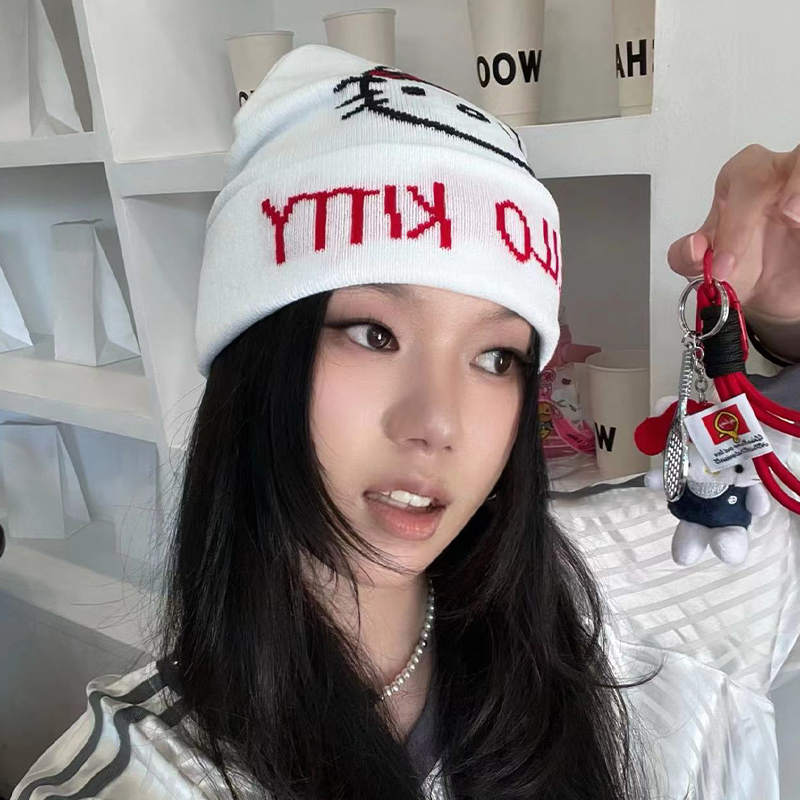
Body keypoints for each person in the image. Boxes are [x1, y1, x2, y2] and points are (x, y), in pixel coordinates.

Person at [10, 45, 800, 800]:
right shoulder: (148, 775)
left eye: (495, 357)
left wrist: (781, 319)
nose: (438, 425)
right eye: (373, 334)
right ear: (258, 358)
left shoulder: (621, 588)